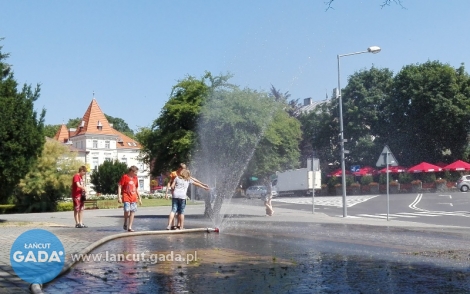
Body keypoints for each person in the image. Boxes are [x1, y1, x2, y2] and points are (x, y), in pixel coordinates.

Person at [118, 166, 142, 232]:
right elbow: (120, 186)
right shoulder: (125, 177)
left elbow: (136, 188)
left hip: (134, 197)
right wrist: (119, 197)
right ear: (131, 171)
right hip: (126, 196)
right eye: (135, 172)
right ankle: (125, 221)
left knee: (132, 211)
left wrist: (139, 198)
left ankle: (130, 227)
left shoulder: (135, 178)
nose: (136, 174)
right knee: (127, 210)